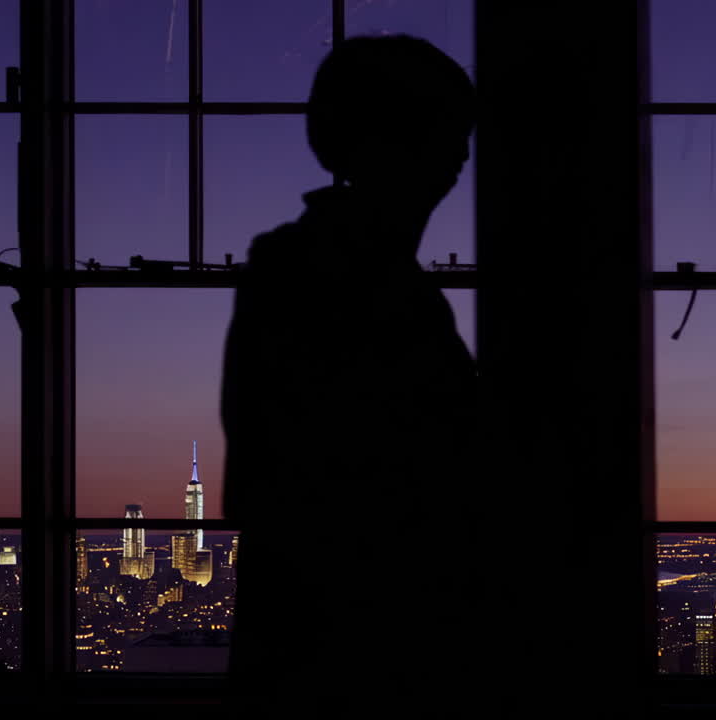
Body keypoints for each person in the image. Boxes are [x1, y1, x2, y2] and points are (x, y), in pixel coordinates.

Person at [221, 35, 479, 716]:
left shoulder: (295, 270)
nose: (460, 158)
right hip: (362, 645)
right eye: (447, 133)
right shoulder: (360, 287)